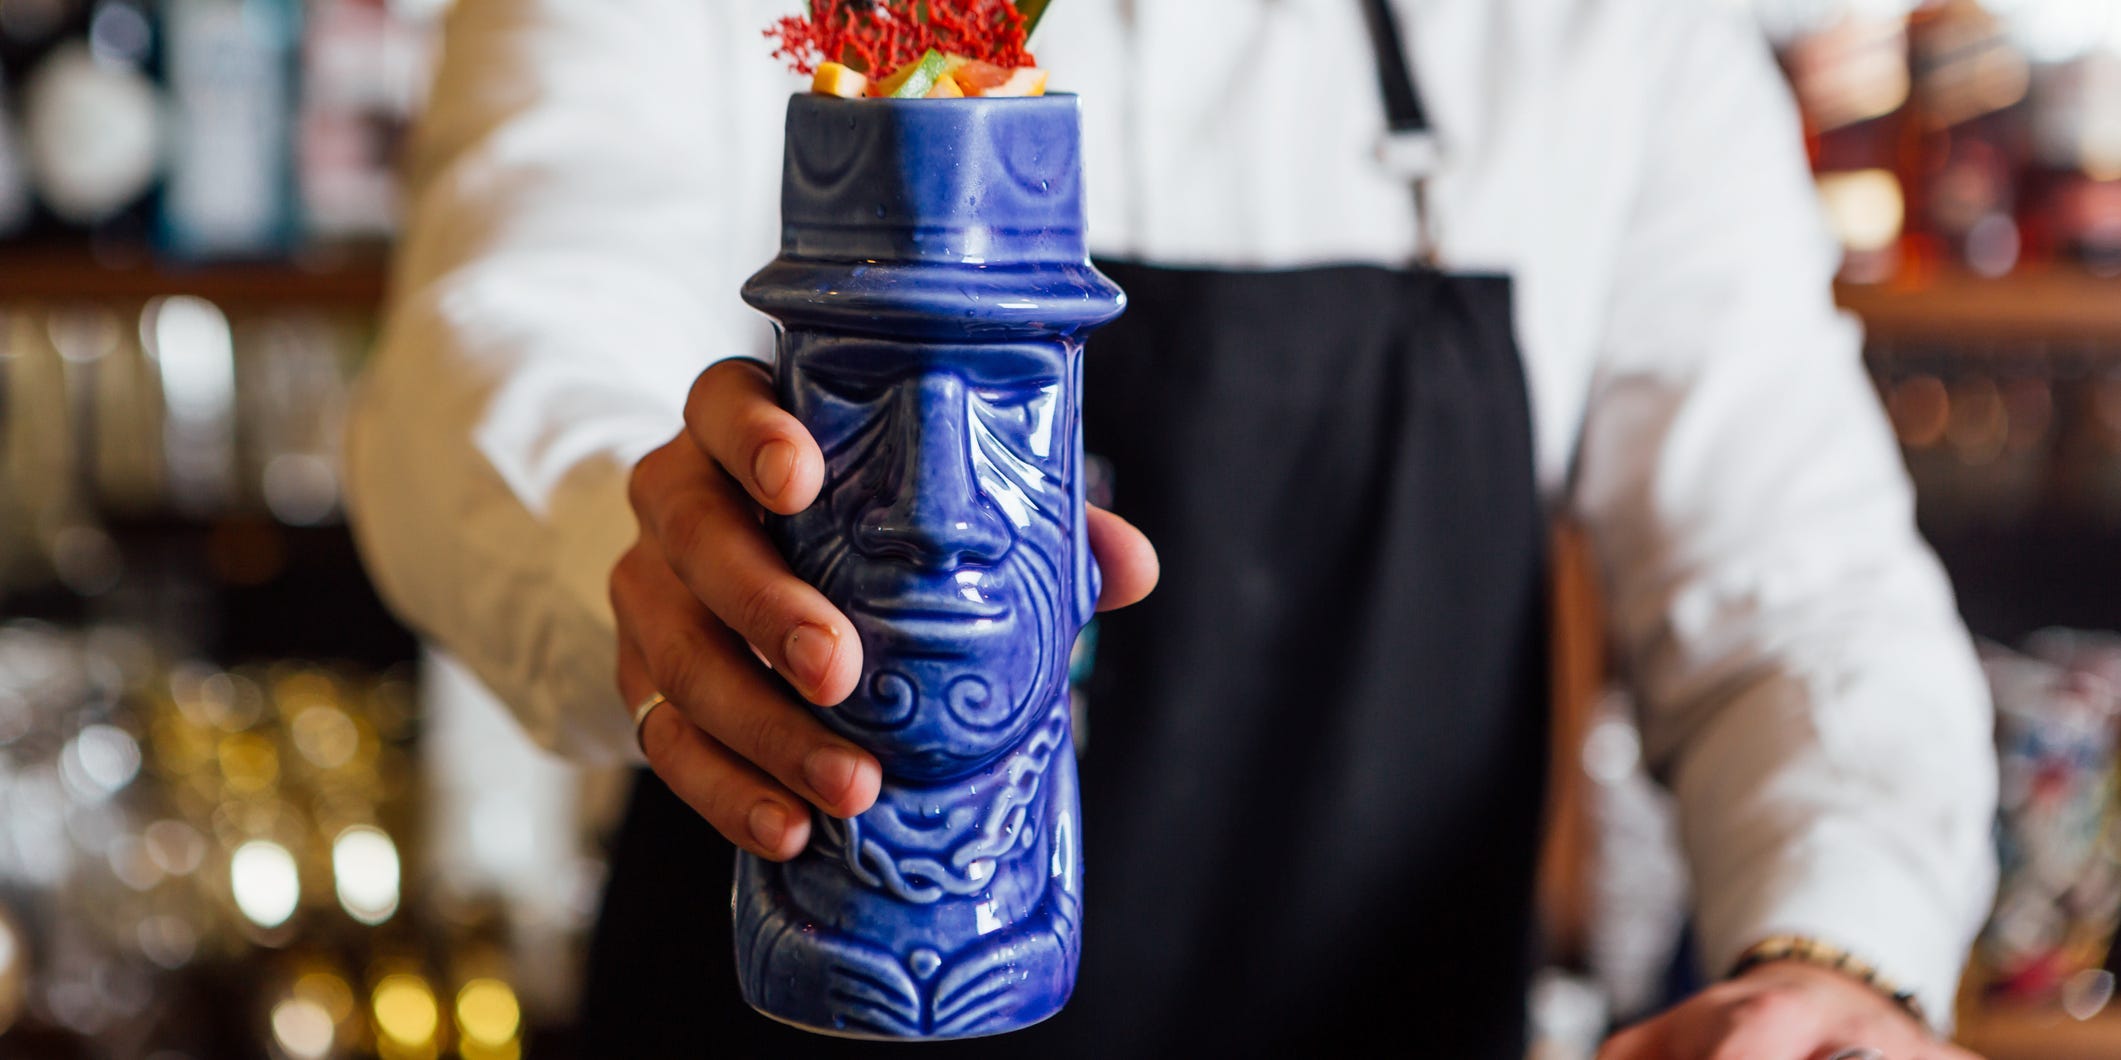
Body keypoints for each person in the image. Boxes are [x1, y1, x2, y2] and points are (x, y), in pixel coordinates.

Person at [344, 1, 1997, 1056]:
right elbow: (492, 345)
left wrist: (1832, 949)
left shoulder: (1606, 39)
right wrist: (639, 558)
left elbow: (1803, 592)